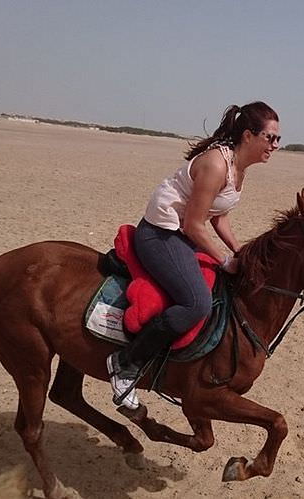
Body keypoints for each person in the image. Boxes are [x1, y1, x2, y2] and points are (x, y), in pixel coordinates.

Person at [106, 101, 281, 409]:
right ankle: (125, 364)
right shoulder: (216, 165)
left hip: (183, 234)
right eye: (270, 137)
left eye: (278, 139)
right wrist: (225, 261)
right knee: (196, 303)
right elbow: (193, 224)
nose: (275, 145)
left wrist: (241, 252)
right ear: (248, 136)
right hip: (161, 234)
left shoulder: (239, 169)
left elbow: (219, 216)